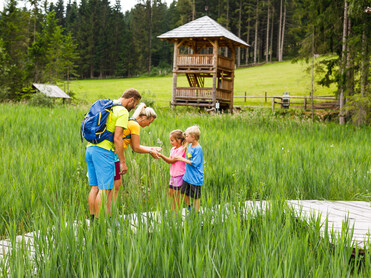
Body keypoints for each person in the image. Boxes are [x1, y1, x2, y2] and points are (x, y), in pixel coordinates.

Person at [86, 88, 141, 220]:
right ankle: (100, 225)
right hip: (104, 152)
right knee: (104, 189)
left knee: (95, 188)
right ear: (131, 99)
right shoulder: (122, 111)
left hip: (90, 149)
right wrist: (122, 162)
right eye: (134, 104)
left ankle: (93, 220)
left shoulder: (109, 105)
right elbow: (117, 138)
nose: (134, 108)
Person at [113, 103, 161, 202]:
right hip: (114, 155)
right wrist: (150, 150)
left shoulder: (130, 121)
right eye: (149, 122)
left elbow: (134, 145)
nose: (148, 125)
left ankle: (103, 214)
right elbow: (136, 148)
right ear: (143, 118)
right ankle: (108, 214)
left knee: (111, 186)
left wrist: (151, 148)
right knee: (114, 188)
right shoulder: (135, 125)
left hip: (110, 154)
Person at [175, 126, 204, 212]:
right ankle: (190, 206)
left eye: (187, 136)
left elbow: (194, 163)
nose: (185, 137)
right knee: (183, 192)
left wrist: (181, 159)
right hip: (187, 176)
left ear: (193, 137)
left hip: (195, 177)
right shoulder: (190, 144)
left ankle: (197, 212)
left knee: (195, 196)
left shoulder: (198, 149)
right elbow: (186, 149)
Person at [158, 130, 187, 214]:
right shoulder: (173, 149)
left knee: (176, 195)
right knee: (171, 193)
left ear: (179, 140)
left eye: (172, 140)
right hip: (173, 174)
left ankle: (176, 213)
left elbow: (171, 161)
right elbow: (169, 160)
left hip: (179, 175)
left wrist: (161, 155)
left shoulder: (181, 150)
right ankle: (172, 211)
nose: (170, 142)